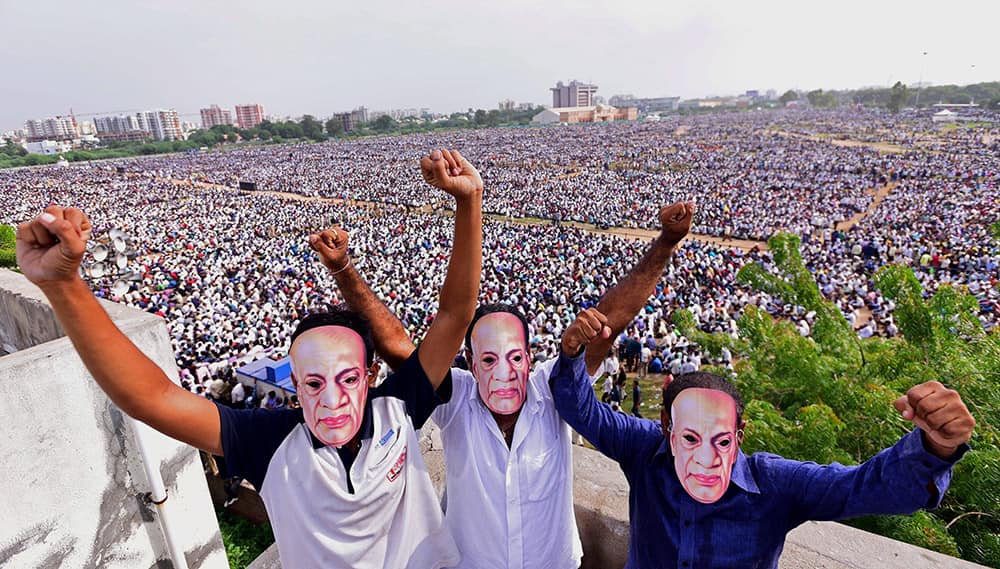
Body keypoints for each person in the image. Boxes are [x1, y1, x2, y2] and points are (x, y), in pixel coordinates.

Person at [14, 147, 483, 568]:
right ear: (295, 386)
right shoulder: (270, 442)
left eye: (347, 379)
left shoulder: (397, 408)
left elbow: (455, 315)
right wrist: (64, 286)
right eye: (314, 384)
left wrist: (469, 200)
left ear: (370, 374)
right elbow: (151, 398)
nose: (333, 399)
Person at [313, 200, 694, 569]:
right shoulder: (456, 396)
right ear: (471, 365)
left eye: (515, 357)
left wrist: (666, 242)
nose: (505, 373)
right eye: (490, 360)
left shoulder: (552, 388)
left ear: (530, 358)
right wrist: (344, 268)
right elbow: (399, 349)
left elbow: (608, 322)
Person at [551, 307, 976, 569]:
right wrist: (570, 355)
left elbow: (865, 489)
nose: (704, 459)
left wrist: (936, 448)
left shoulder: (775, 484)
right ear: (666, 427)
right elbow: (582, 411)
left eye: (721, 441)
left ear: (740, 434)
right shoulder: (646, 451)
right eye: (689, 438)